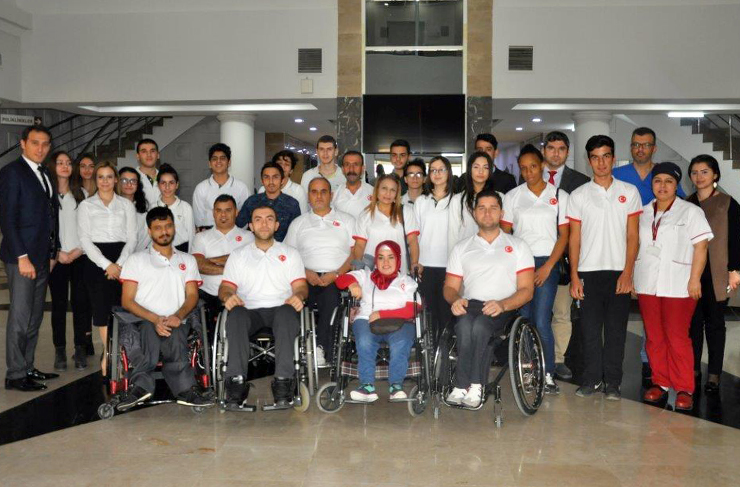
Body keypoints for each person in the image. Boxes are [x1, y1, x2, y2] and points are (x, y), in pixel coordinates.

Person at [444, 190, 535, 407]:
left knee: (481, 327)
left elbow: (526, 290)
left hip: (504, 307)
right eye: (482, 208)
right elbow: (449, 287)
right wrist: (455, 299)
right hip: (471, 305)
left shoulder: (519, 246)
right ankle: (461, 386)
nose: (487, 213)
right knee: (463, 326)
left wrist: (503, 304)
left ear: (501, 213)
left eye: (493, 208)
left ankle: (476, 384)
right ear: (474, 213)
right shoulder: (461, 247)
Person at [567, 135, 641, 400]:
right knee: (589, 331)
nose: (601, 163)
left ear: (613, 158)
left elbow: (633, 236)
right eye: (596, 157)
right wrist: (574, 276)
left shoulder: (629, 192)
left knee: (615, 332)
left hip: (619, 273)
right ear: (589, 161)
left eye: (606, 156)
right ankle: (591, 379)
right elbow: (574, 239)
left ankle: (613, 383)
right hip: (588, 272)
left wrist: (628, 272)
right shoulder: (578, 195)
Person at [117, 207, 214, 410]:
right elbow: (127, 301)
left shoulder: (187, 260)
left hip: (177, 320)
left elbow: (192, 296)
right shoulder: (136, 260)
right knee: (148, 331)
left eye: (168, 226)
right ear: (149, 231)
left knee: (176, 333)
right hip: (143, 320)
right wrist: (155, 319)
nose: (164, 231)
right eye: (158, 228)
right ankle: (141, 388)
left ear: (174, 227)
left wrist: (177, 316)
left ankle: (186, 390)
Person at [634, 163, 712, 410]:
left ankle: (684, 387)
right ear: (652, 184)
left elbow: (701, 247)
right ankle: (660, 382)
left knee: (677, 337)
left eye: (669, 181)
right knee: (654, 337)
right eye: (658, 181)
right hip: (648, 282)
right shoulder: (643, 212)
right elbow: (635, 245)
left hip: (679, 284)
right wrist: (633, 277)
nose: (663, 186)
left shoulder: (690, 212)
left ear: (677, 185)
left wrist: (695, 279)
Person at [613, 126, 686, 385]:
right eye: (635, 144)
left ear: (654, 148)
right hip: (620, 252)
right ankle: (613, 364)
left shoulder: (663, 175)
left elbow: (680, 209)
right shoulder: (618, 175)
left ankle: (649, 362)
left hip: (657, 256)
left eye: (645, 145)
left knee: (653, 312)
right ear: (630, 147)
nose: (640, 149)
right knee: (620, 312)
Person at [219, 205, 308, 408]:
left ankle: (284, 382)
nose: (264, 223)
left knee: (287, 313)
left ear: (276, 225)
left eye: (269, 219)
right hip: (249, 311)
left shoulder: (290, 253)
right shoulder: (238, 255)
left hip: (281, 309)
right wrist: (227, 297)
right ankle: (236, 384)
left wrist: (299, 296)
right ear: (251, 226)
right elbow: (225, 288)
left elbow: (301, 287)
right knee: (235, 314)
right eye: (258, 219)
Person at [501, 144, 569, 394]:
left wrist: (548, 267)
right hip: (521, 264)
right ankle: (529, 370)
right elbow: (506, 233)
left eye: (532, 166)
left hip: (547, 264)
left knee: (541, 320)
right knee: (525, 319)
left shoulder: (560, 195)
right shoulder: (512, 196)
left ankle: (547, 373)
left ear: (542, 165)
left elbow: (564, 236)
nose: (528, 172)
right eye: (523, 168)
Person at [1, 125, 61, 391]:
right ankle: (15, 375)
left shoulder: (45, 172)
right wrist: (22, 257)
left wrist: (53, 251)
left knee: (35, 318)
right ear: (23, 144)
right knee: (20, 318)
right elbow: (7, 219)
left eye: (45, 143)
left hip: (42, 256)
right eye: (35, 143)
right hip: (22, 258)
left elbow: (51, 216)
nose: (41, 148)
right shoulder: (12, 173)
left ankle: (27, 366)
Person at [335, 240, 419, 402]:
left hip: (400, 322)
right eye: (381, 258)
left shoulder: (406, 281)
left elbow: (413, 308)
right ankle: (366, 386)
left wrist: (382, 314)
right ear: (376, 260)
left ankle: (396, 386)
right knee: (365, 341)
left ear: (398, 259)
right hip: (366, 318)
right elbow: (341, 280)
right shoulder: (366, 276)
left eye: (390, 257)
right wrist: (352, 284)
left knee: (401, 342)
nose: (385, 262)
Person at [284, 177, 356, 366]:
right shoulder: (298, 223)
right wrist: (305, 272)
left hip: (338, 277)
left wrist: (337, 273)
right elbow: (288, 256)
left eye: (323, 191)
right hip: (304, 277)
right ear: (308, 196)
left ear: (331, 195)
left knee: (330, 295)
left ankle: (322, 348)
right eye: (314, 192)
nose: (319, 196)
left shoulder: (347, 220)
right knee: (294, 298)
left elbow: (356, 253)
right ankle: (296, 348)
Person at [78, 161, 138, 373]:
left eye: (109, 176)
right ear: (96, 180)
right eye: (101, 177)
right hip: (96, 262)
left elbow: (132, 238)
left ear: (116, 180)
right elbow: (84, 240)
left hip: (123, 260)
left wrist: (118, 264)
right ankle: (109, 354)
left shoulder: (126, 205)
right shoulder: (86, 206)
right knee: (102, 310)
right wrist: (107, 265)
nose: (105, 181)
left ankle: (120, 352)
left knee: (122, 308)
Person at [687, 155, 740, 394]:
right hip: (692, 273)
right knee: (693, 323)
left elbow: (736, 239)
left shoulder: (727, 203)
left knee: (715, 324)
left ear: (715, 174)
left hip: (718, 273)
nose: (699, 177)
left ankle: (714, 374)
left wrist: (734, 270)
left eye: (704, 172)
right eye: (695, 172)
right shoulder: (686, 203)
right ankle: (693, 369)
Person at [541, 131, 590, 381]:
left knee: (561, 311)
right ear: (544, 150)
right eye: (551, 148)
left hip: (565, 258)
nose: (556, 153)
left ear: (568, 152)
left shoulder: (581, 181)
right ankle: (536, 357)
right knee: (537, 312)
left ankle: (558, 359)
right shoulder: (530, 176)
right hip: (536, 255)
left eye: (561, 149)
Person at [45, 151, 91, 371]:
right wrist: (57, 252)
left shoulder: (81, 193)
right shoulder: (46, 194)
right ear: (52, 167)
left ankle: (80, 348)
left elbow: (89, 227)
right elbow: (43, 228)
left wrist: (79, 250)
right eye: (60, 163)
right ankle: (60, 350)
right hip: (57, 258)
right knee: (59, 305)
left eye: (68, 163)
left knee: (81, 304)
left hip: (79, 256)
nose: (65, 166)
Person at [413, 156, 453, 342]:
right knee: (428, 314)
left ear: (448, 173)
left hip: (449, 266)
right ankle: (431, 352)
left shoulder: (457, 200)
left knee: (446, 312)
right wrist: (416, 262)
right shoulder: (421, 201)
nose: (437, 174)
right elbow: (415, 236)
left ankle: (445, 352)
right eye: (433, 170)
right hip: (425, 266)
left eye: (441, 169)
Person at [353, 174, 421, 275]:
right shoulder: (366, 214)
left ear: (397, 193)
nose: (388, 193)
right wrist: (358, 268)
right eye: (384, 188)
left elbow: (413, 241)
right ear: (377, 190)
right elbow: (359, 245)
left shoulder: (406, 211)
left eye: (392, 190)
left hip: (399, 272)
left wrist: (414, 263)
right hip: (371, 272)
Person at [448, 152, 503, 252]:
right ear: (470, 170)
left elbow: (504, 231)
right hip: (465, 254)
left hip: (494, 253)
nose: (481, 171)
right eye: (476, 167)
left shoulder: (500, 198)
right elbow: (452, 236)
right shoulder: (457, 200)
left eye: (485, 167)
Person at [192, 143, 252, 230]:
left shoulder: (241, 188)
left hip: (234, 235)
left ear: (229, 162)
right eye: (214, 159)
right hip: (208, 234)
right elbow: (198, 219)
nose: (218, 161)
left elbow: (246, 217)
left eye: (222, 158)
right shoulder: (201, 188)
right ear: (209, 163)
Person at [236, 162, 300, 242]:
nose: (271, 181)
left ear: (282, 180)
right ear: (262, 181)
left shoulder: (292, 204)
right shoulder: (252, 201)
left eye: (275, 177)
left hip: (282, 248)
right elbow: (238, 225)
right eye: (266, 177)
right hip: (254, 246)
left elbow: (296, 233)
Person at [155, 163, 195, 252]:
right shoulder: (152, 207)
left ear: (177, 185)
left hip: (182, 250)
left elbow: (191, 235)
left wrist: (190, 256)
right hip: (158, 252)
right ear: (158, 185)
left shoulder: (186, 207)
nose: (167, 187)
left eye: (171, 183)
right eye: (163, 183)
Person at [332, 150, 374, 220]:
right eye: (347, 164)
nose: (351, 169)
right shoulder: (334, 195)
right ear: (342, 169)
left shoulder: (374, 193)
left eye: (356, 164)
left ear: (363, 169)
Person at [118, 167, 150, 252]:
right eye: (124, 180)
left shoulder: (144, 210)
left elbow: (145, 238)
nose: (129, 184)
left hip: (136, 256)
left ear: (138, 185)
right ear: (117, 182)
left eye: (133, 181)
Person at [135, 138, 161, 208]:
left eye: (152, 151)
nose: (149, 155)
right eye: (144, 151)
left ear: (158, 155)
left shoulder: (165, 177)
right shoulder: (132, 179)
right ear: (138, 156)